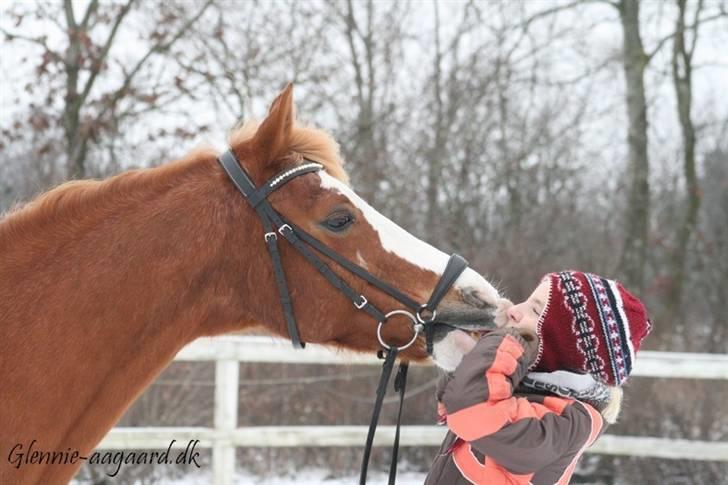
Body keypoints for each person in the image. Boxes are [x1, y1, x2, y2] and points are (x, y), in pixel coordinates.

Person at [425, 270, 652, 485]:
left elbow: (468, 406)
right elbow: (450, 399)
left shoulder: (570, 422)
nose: (514, 309)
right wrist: (475, 349)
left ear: (564, 347)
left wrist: (506, 345)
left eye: (535, 310)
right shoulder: (519, 384)